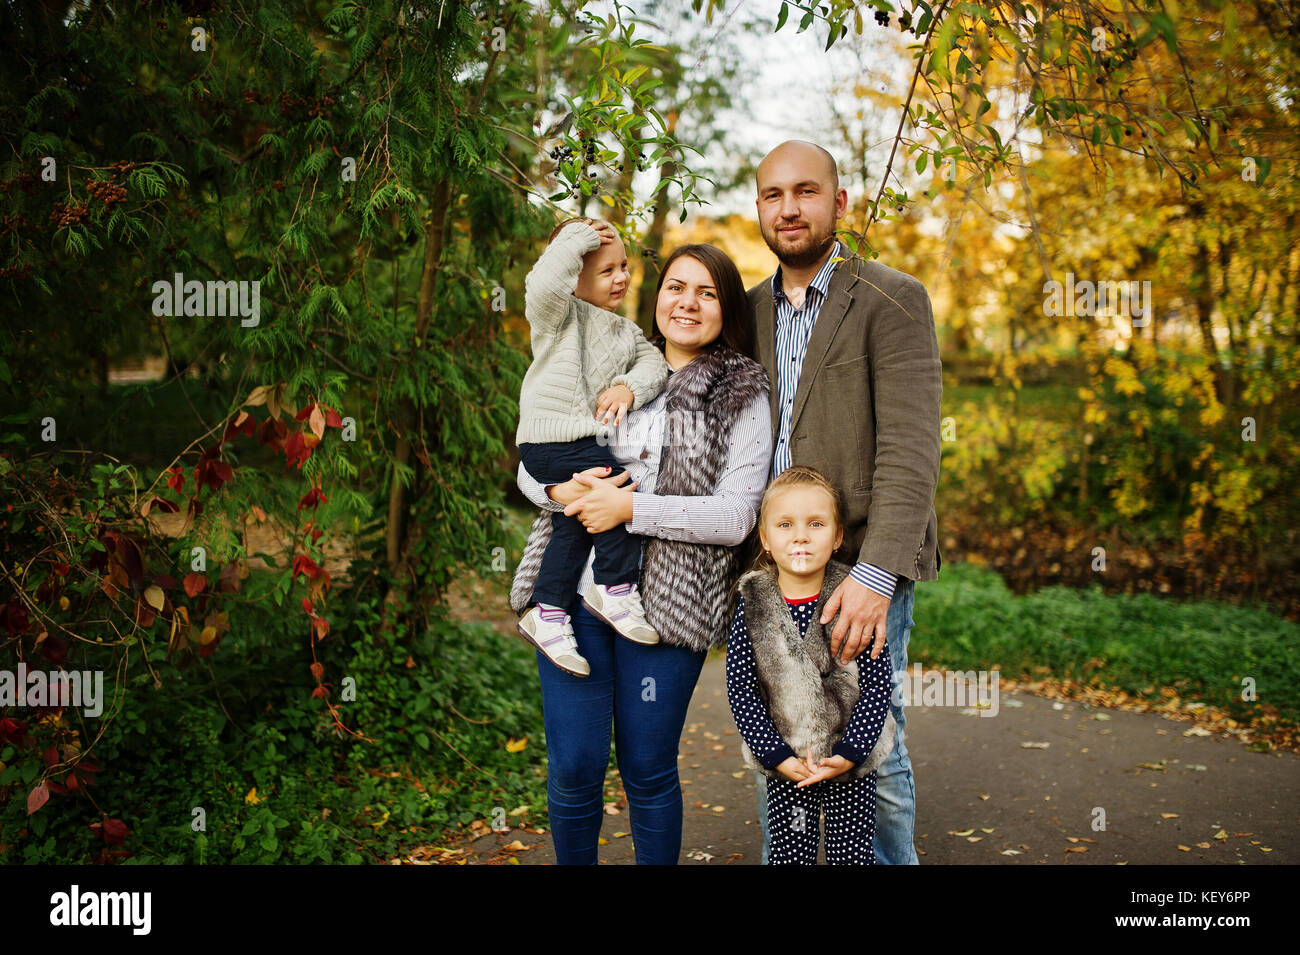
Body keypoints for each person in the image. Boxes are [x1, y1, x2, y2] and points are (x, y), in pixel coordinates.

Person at [509, 243, 771, 864]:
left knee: (647, 767)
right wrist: (554, 489)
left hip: (669, 605)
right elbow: (535, 454)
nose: (688, 303)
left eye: (706, 293)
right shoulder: (608, 359)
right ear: (658, 297)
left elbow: (737, 517)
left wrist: (632, 510)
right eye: (677, 286)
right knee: (574, 765)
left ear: (724, 308)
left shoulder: (740, 389)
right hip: (572, 593)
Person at [747, 140, 943, 865]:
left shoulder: (892, 298)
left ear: (841, 202)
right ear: (759, 208)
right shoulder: (747, 310)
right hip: (776, 569)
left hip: (861, 565)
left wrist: (875, 576)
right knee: (783, 740)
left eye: (805, 191)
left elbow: (912, 447)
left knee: (872, 742)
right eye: (773, 194)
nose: (789, 208)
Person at [515, 218, 672, 677]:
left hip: (580, 442)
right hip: (551, 438)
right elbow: (543, 282)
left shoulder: (627, 331)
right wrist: (577, 238)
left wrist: (627, 388)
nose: (621, 277)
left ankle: (548, 613)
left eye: (623, 266)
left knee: (576, 523)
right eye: (606, 271)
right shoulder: (555, 316)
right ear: (575, 275)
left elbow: (654, 365)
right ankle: (616, 587)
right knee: (616, 492)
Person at [726, 466, 895, 864]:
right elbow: (741, 689)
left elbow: (877, 684)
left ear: (837, 537)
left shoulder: (853, 600)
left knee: (850, 856)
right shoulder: (753, 603)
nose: (800, 535)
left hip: (848, 767)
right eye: (785, 525)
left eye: (816, 524)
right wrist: (776, 756)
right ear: (766, 539)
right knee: (790, 855)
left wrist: (853, 752)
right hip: (788, 766)